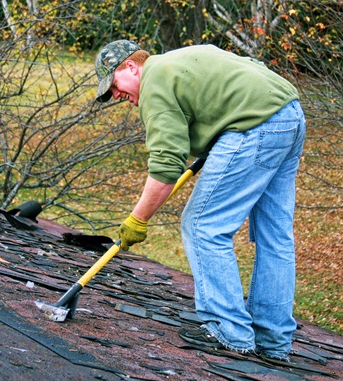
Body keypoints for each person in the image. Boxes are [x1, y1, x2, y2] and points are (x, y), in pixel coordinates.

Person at [94, 40, 306, 362]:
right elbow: (247, 68)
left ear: (131, 66)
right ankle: (272, 341)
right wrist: (217, 133)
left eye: (114, 86)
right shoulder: (181, 60)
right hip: (289, 113)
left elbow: (166, 167)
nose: (117, 96)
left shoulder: (155, 81)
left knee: (202, 225)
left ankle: (229, 330)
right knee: (275, 236)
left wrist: (137, 219)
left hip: (256, 126)